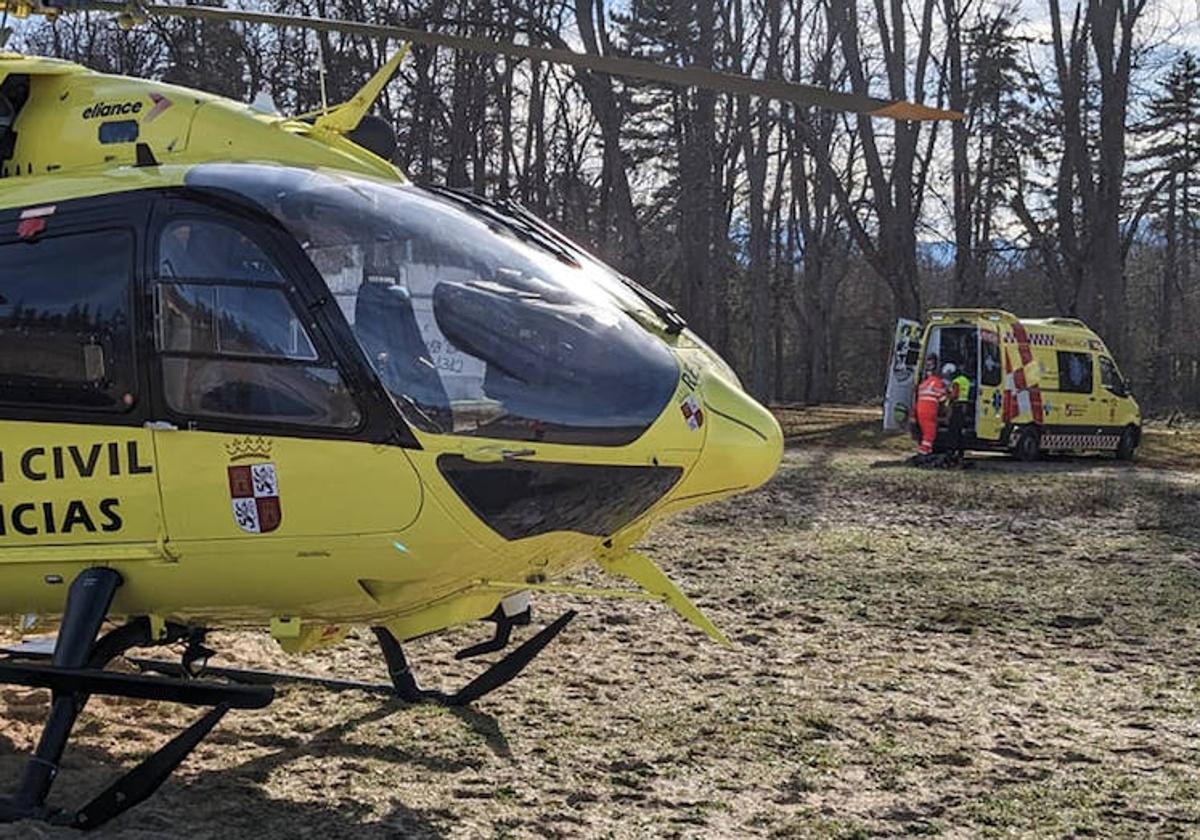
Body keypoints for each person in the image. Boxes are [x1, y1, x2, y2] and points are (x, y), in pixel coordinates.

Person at [915, 355, 947, 456]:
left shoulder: (924, 384)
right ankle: (923, 453)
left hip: (920, 410)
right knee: (930, 434)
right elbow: (943, 400)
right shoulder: (938, 383)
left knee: (925, 433)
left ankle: (927, 451)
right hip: (929, 411)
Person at [945, 363, 972, 460]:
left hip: (956, 407)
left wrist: (947, 393)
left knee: (953, 431)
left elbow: (954, 395)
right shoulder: (966, 380)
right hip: (963, 407)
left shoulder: (956, 382)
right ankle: (961, 452)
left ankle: (951, 451)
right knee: (960, 431)